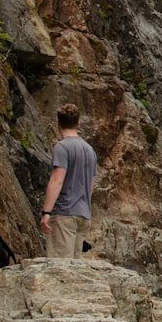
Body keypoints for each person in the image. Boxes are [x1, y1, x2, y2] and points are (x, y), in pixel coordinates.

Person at [39, 103, 97, 258]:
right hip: (83, 213)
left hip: (65, 213)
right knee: (76, 267)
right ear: (78, 123)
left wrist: (46, 212)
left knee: (61, 266)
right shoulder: (90, 150)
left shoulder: (62, 148)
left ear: (58, 123)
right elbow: (91, 183)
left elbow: (57, 180)